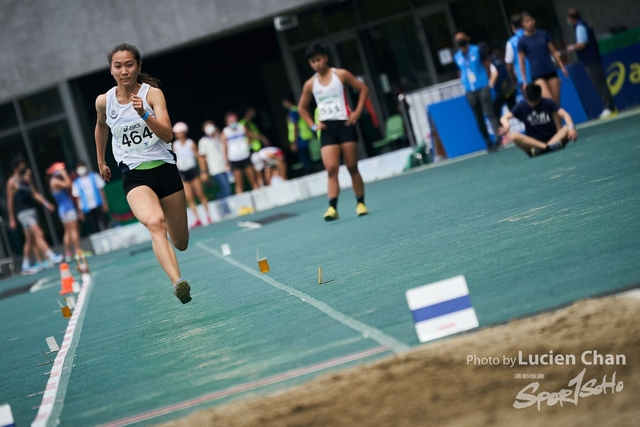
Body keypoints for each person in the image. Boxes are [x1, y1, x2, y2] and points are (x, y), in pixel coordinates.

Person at [95, 43, 192, 304]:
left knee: (181, 241)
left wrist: (144, 113)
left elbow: (167, 134)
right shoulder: (104, 101)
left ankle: (175, 257)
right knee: (154, 223)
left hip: (164, 171)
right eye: (118, 66)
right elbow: (100, 127)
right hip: (134, 176)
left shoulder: (152, 95)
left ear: (138, 67)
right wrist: (101, 160)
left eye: (129, 65)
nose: (124, 70)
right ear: (111, 70)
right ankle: (177, 282)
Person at [298, 43, 370, 221]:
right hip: (327, 128)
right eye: (312, 62)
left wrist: (357, 112)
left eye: (319, 59)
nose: (316, 64)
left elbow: (363, 89)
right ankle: (332, 208)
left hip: (345, 124)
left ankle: (360, 203)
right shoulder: (310, 84)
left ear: (325, 58)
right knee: (331, 168)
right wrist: (313, 125)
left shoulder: (341, 74)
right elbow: (302, 108)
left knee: (352, 166)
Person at [6, 159, 63, 274]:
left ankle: (25, 265)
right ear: (16, 168)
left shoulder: (26, 179)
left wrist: (46, 203)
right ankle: (52, 256)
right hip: (23, 213)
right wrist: (11, 218)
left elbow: (34, 193)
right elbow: (10, 201)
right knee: (39, 234)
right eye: (21, 166)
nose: (24, 168)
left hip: (31, 211)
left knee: (30, 240)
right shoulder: (12, 182)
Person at [498, 84, 578, 158]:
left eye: (535, 101)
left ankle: (547, 147)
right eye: (530, 101)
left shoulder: (547, 102)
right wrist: (506, 126)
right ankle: (547, 147)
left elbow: (565, 115)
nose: (532, 104)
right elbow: (504, 118)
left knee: (568, 127)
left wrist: (571, 128)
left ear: (539, 97)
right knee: (514, 136)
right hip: (534, 144)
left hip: (553, 138)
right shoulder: (522, 106)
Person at [453, 32, 502, 153]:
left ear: (467, 38)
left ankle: (498, 139)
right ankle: (488, 142)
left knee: (489, 112)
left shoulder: (477, 50)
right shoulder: (457, 56)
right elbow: (460, 71)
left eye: (462, 38)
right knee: (478, 117)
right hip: (470, 89)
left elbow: (487, 65)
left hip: (482, 85)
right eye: (458, 39)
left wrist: (488, 81)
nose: (460, 40)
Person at [566, 7, 617, 119]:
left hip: (590, 59)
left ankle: (610, 108)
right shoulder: (584, 24)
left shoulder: (580, 26)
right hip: (593, 58)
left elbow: (582, 44)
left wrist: (571, 47)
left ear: (570, 18)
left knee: (599, 84)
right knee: (600, 84)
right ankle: (610, 107)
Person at [518, 12, 569, 106]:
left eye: (531, 20)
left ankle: (557, 121)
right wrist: (524, 81)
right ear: (523, 24)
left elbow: (553, 51)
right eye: (527, 21)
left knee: (556, 104)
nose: (530, 23)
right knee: (549, 102)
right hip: (537, 75)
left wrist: (562, 67)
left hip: (550, 71)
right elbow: (521, 62)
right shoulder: (522, 41)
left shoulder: (543, 34)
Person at [172, 122, 211, 227]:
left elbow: (199, 157)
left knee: (200, 194)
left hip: (193, 171)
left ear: (183, 132)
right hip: (183, 173)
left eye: (178, 132)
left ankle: (208, 215)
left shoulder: (190, 143)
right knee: (189, 197)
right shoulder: (175, 145)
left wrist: (203, 171)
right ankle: (197, 219)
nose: (177, 135)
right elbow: (174, 160)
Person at [47, 162, 86, 262]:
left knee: (68, 231)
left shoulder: (54, 181)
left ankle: (68, 253)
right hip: (67, 208)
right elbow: (69, 184)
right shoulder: (54, 181)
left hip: (63, 209)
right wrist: (63, 174)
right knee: (73, 230)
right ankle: (78, 251)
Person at [221, 112, 261, 194]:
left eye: (234, 120)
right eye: (230, 121)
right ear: (227, 122)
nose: (233, 123)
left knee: (253, 179)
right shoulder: (225, 132)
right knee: (239, 183)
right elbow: (224, 148)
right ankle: (241, 203)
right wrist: (226, 162)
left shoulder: (242, 128)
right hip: (234, 159)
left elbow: (250, 135)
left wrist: (248, 144)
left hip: (245, 156)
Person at [198, 120, 232, 217]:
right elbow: (202, 158)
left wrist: (218, 135)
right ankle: (226, 210)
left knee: (227, 188)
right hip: (215, 169)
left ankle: (222, 206)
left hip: (225, 167)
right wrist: (204, 171)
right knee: (226, 188)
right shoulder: (203, 141)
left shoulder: (220, 137)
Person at [72, 161, 110, 234]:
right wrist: (80, 211)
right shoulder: (76, 183)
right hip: (87, 208)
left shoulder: (94, 176)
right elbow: (77, 198)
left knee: (106, 223)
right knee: (94, 227)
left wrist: (104, 203)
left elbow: (101, 190)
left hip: (98, 204)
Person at [283, 97, 313, 172]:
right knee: (306, 155)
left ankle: (308, 170)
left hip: (300, 137)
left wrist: (294, 142)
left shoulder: (293, 111)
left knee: (304, 157)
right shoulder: (296, 109)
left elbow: (295, 126)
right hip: (302, 136)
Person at [505, 13, 531, 98]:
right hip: (539, 74)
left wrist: (513, 80)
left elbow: (509, 65)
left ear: (512, 26)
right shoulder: (531, 35)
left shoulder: (511, 43)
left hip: (524, 80)